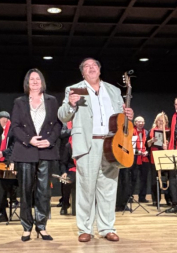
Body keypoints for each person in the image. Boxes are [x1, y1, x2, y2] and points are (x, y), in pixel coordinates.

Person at [58, 58, 133, 243]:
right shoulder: (74, 89)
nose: (91, 68)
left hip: (111, 144)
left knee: (108, 188)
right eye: (86, 67)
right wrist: (71, 104)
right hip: (87, 143)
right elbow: (62, 115)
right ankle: (85, 229)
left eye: (94, 66)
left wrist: (128, 115)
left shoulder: (113, 90)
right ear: (82, 72)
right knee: (86, 189)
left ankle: (107, 228)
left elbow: (120, 117)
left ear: (100, 70)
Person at [10, 69, 62, 241]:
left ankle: (42, 226)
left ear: (42, 81)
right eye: (31, 79)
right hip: (26, 150)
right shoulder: (19, 101)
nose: (34, 81)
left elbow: (58, 125)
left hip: (46, 150)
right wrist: (29, 140)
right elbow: (15, 126)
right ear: (27, 82)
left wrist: (50, 140)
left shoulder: (52, 100)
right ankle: (26, 227)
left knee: (44, 192)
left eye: (37, 78)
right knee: (25, 190)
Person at [0, 111, 18, 223]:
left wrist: (4, 153)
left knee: (1, 183)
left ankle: (3, 208)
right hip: (3, 163)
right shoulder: (1, 131)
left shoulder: (13, 130)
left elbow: (15, 147)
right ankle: (1, 211)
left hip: (14, 164)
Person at [146, 113, 170, 206]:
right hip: (154, 157)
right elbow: (147, 145)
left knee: (166, 177)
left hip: (166, 156)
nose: (161, 122)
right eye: (159, 120)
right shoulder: (152, 131)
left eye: (163, 120)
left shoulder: (169, 131)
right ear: (156, 121)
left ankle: (169, 199)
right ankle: (156, 199)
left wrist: (167, 143)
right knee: (155, 179)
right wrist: (151, 141)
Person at [58, 122, 76, 215]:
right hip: (72, 169)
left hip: (84, 170)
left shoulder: (87, 145)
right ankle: (65, 204)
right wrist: (64, 172)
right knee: (66, 181)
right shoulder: (68, 145)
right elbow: (63, 163)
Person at [133, 116, 151, 204]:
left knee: (144, 178)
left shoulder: (146, 132)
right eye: (139, 122)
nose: (141, 123)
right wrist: (138, 151)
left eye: (142, 122)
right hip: (134, 157)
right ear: (135, 123)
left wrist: (147, 151)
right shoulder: (131, 131)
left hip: (145, 158)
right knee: (133, 177)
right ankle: (130, 196)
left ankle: (142, 197)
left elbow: (148, 144)